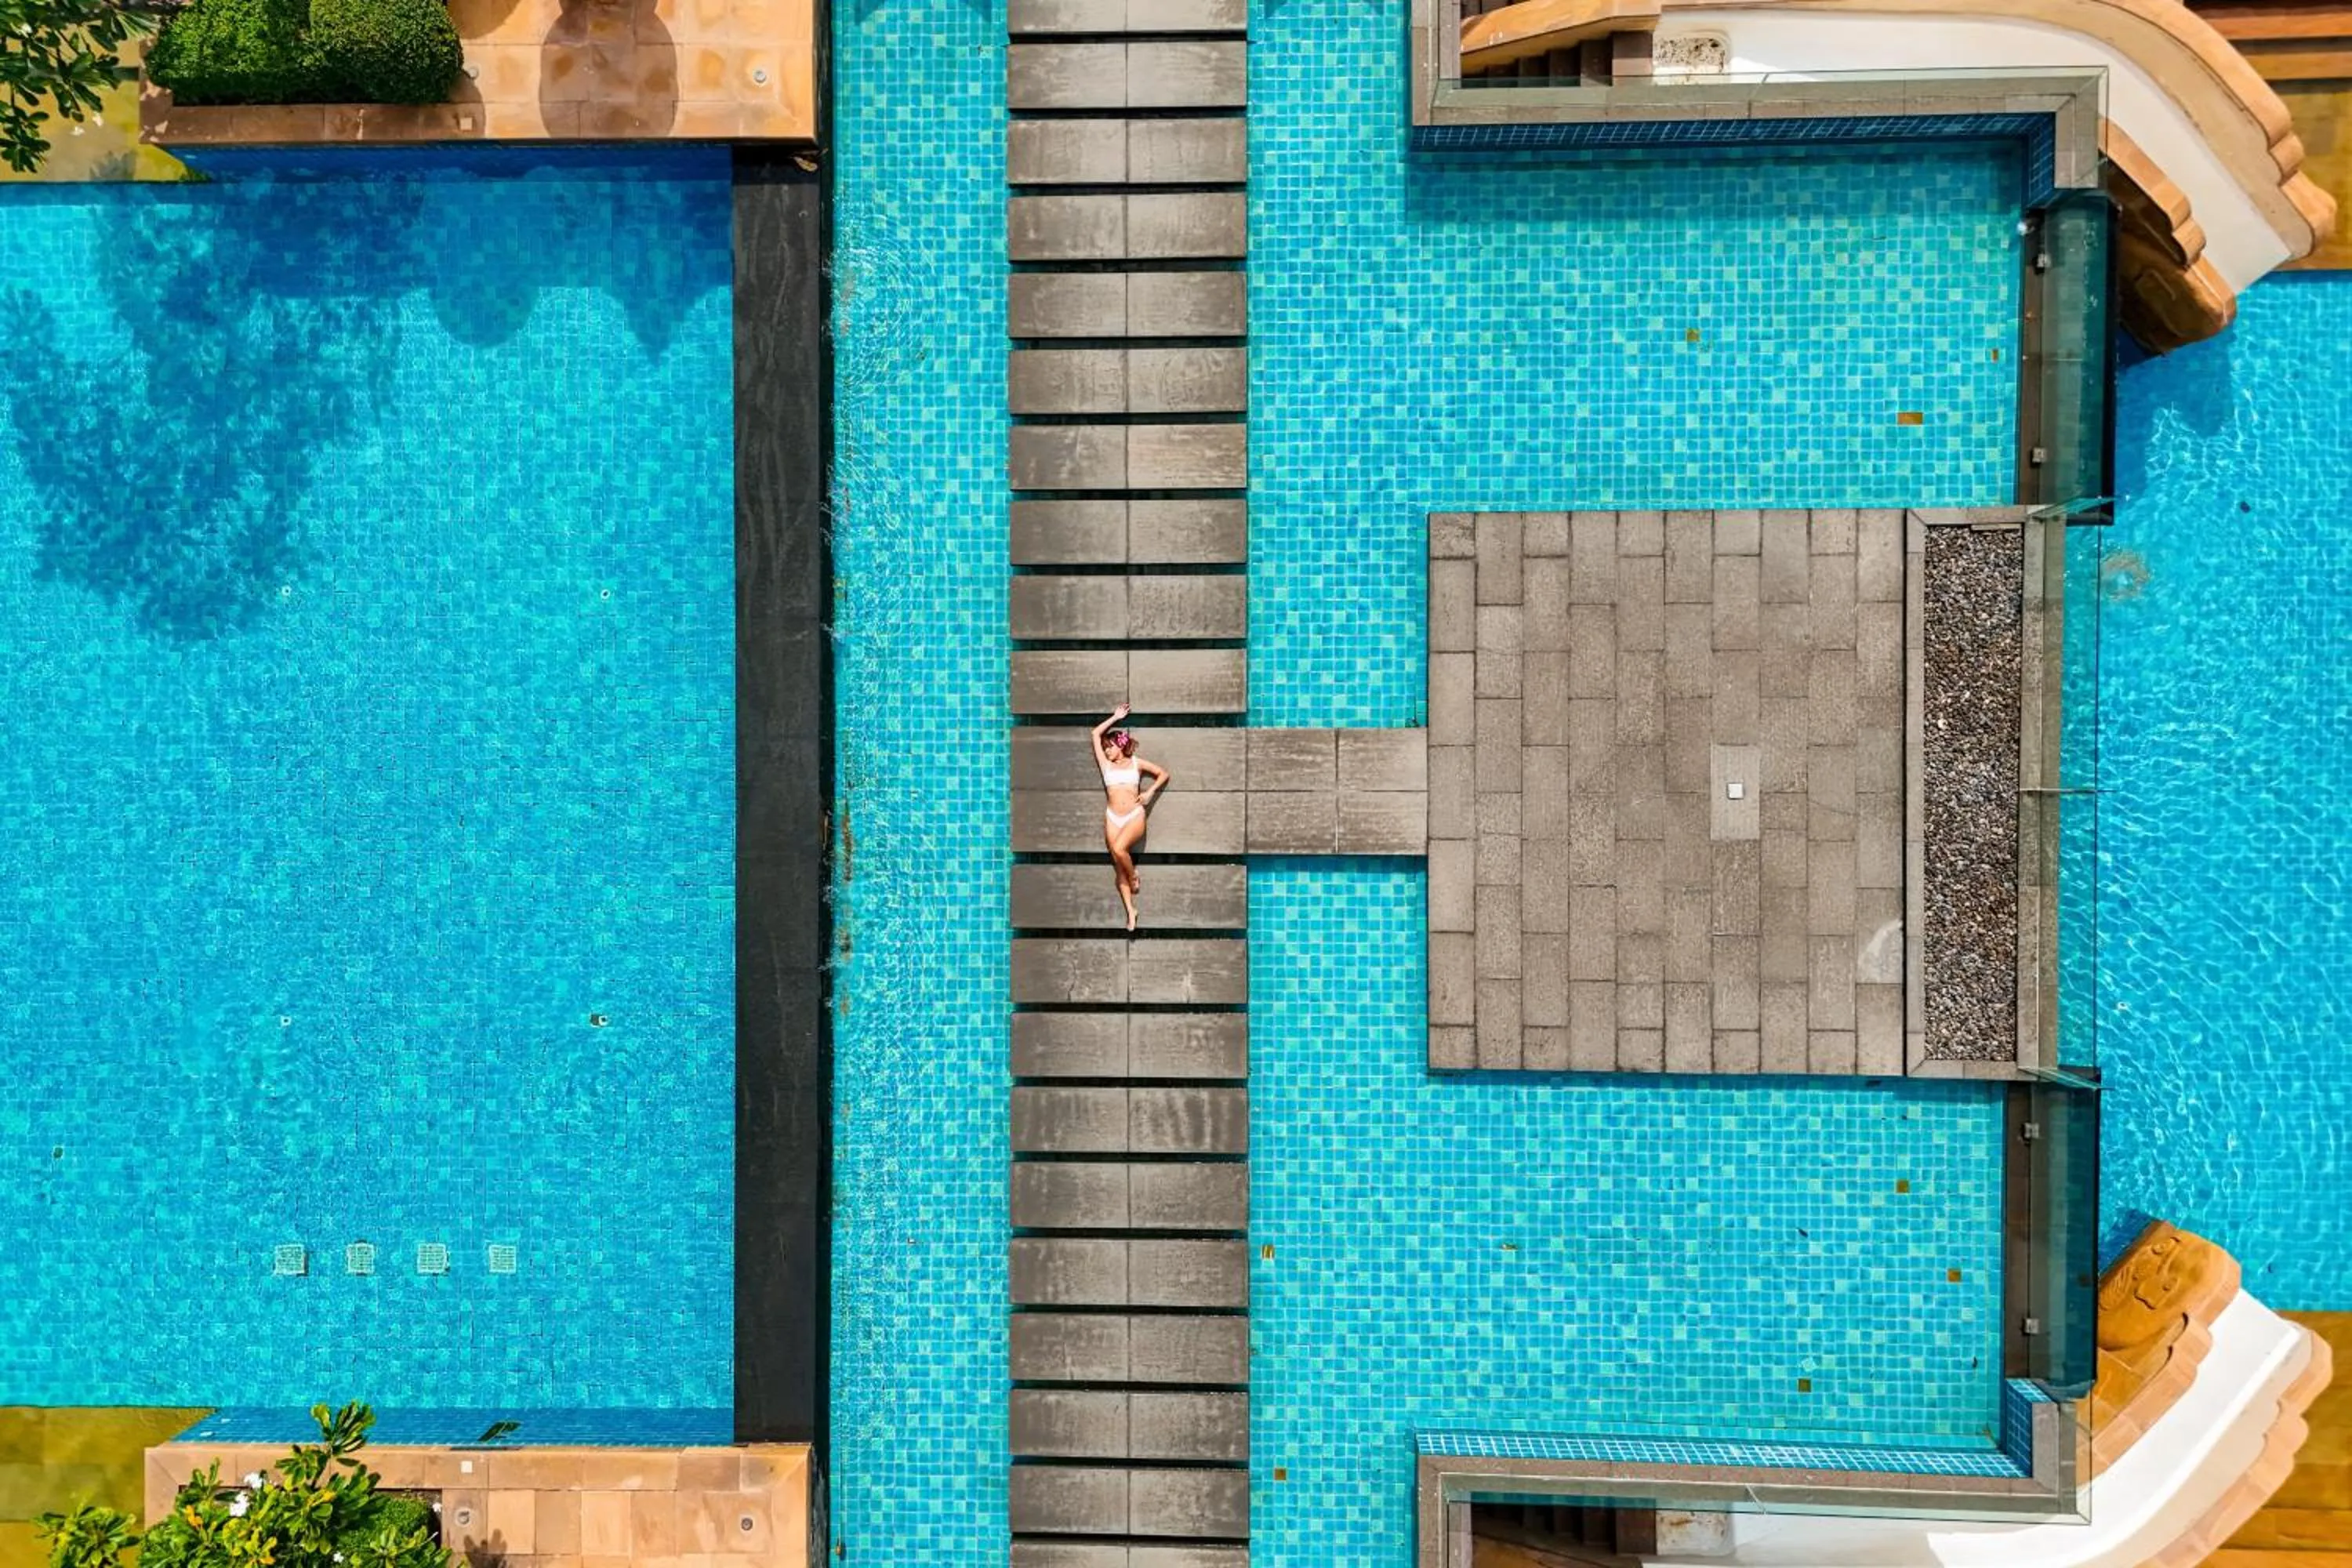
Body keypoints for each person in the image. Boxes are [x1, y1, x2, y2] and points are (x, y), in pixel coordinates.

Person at [1092, 703, 1170, 932]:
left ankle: (1134, 874)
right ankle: (1131, 911)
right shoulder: (1105, 765)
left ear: (1120, 746)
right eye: (1105, 748)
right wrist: (1115, 717)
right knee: (1119, 868)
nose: (1106, 751)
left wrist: (1149, 792)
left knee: (1119, 849)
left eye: (1110, 747)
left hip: (1134, 816)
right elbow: (1095, 733)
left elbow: (1163, 774)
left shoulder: (1137, 763)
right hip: (1112, 817)